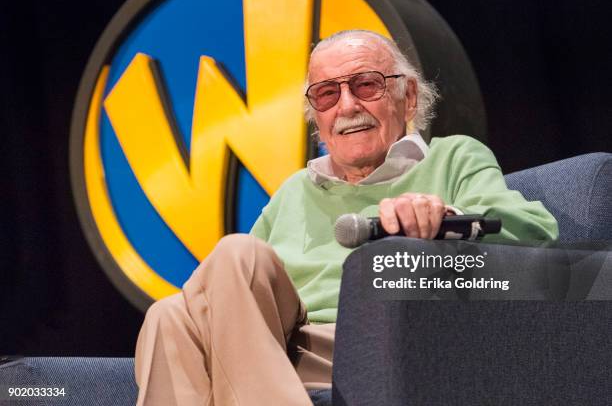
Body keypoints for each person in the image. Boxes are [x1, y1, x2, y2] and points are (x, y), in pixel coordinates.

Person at [134, 30, 558, 405]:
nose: (347, 106)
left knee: (179, 312)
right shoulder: (293, 191)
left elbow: (535, 233)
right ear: (316, 114)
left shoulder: (453, 157)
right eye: (327, 94)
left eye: (366, 85)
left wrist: (446, 220)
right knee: (175, 310)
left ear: (407, 97)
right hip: (275, 350)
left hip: (379, 340)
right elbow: (225, 298)